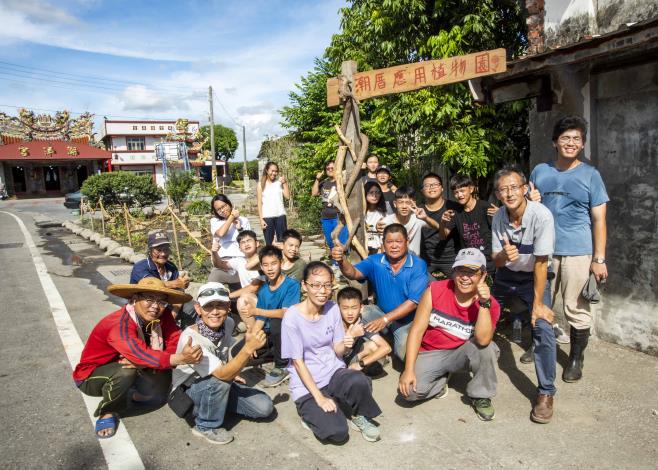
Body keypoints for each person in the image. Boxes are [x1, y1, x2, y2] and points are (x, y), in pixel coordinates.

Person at [529, 116, 609, 383]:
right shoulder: (540, 171)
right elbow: (529, 210)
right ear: (555, 142)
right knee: (542, 302)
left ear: (582, 144)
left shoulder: (591, 175)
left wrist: (599, 259)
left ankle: (576, 358)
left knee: (576, 307)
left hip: (578, 250)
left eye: (576, 138)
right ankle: (540, 345)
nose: (571, 143)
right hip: (544, 251)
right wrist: (531, 201)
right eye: (565, 138)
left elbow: (599, 220)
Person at [73, 278, 202, 439]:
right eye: (149, 299)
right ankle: (108, 410)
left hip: (136, 362)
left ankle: (135, 392)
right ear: (134, 299)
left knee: (159, 392)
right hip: (92, 375)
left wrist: (153, 359)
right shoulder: (118, 323)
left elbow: (174, 338)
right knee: (125, 372)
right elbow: (139, 354)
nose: (156, 306)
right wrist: (179, 359)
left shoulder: (164, 315)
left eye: (162, 301)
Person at [282, 262, 383, 443]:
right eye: (316, 285)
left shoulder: (333, 309)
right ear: (304, 286)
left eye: (327, 285)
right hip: (307, 384)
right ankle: (309, 414)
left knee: (359, 380)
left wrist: (348, 342)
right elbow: (298, 362)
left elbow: (337, 349)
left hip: (333, 372)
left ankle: (359, 415)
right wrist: (319, 398)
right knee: (336, 433)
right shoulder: (292, 317)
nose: (323, 290)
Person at [398, 248, 501, 422]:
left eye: (472, 272)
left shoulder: (492, 304)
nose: (465, 277)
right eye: (461, 270)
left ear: (483, 275)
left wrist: (484, 304)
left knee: (488, 348)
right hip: (430, 352)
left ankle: (480, 395)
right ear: (454, 272)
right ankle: (441, 381)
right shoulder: (435, 290)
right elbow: (417, 330)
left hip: (462, 351)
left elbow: (483, 340)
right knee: (409, 394)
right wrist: (408, 371)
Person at [491, 167, 557, 423]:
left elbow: (541, 263)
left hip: (535, 277)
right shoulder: (498, 217)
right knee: (482, 313)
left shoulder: (541, 216)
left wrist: (538, 304)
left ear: (525, 188)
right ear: (498, 194)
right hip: (506, 276)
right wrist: (502, 256)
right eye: (503, 189)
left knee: (542, 327)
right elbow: (496, 262)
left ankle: (546, 392)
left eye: (514, 187)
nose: (509, 193)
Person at [170, 282, 274, 444]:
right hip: (188, 394)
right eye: (208, 306)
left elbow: (226, 354)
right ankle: (205, 425)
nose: (215, 312)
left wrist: (234, 370)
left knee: (264, 407)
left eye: (221, 305)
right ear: (198, 309)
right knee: (222, 379)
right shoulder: (191, 339)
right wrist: (247, 349)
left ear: (228, 307)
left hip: (214, 383)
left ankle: (217, 405)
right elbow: (222, 374)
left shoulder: (228, 323)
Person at [332, 223, 429, 361]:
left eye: (398, 241)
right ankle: (370, 345)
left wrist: (385, 320)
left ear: (407, 242)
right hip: (381, 312)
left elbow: (413, 303)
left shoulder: (418, 265)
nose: (394, 246)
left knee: (405, 355)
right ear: (383, 243)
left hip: (407, 320)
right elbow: (353, 273)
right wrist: (341, 260)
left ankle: (393, 339)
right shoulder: (375, 261)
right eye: (389, 242)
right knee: (362, 311)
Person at [237, 245, 301, 386]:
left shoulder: (292, 285)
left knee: (277, 322)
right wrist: (251, 340)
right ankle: (275, 353)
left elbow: (286, 313)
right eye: (265, 265)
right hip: (270, 334)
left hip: (287, 331)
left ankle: (282, 365)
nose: (270, 268)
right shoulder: (264, 289)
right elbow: (260, 320)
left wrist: (257, 311)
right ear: (261, 266)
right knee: (240, 353)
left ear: (281, 263)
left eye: (274, 264)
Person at [130, 231, 194, 329]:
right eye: (158, 250)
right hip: (145, 305)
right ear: (150, 250)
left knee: (191, 306)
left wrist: (174, 313)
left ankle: (184, 334)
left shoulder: (171, 267)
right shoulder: (140, 267)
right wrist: (177, 283)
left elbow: (179, 292)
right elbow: (152, 286)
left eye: (166, 249)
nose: (163, 253)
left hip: (164, 304)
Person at [439, 175, 496, 275]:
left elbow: (499, 230)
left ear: (471, 189)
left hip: (488, 261)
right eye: (456, 192)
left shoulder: (485, 207)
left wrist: (500, 214)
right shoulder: (455, 212)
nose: (459, 195)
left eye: (462, 191)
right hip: (468, 262)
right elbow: (443, 236)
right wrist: (443, 222)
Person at [337, 286, 392, 376]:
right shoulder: (334, 321)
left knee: (374, 346)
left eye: (354, 308)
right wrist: (351, 335)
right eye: (345, 308)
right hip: (335, 359)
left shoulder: (362, 322)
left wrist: (361, 363)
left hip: (351, 357)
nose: (350, 313)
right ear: (338, 308)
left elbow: (386, 348)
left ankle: (357, 370)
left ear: (361, 308)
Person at [418, 172, 461, 279]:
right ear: (422, 190)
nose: (431, 188)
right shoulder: (418, 210)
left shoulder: (453, 207)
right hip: (426, 260)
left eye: (435, 184)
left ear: (442, 188)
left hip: (451, 259)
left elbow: (445, 233)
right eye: (427, 185)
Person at [378, 186, 441, 257]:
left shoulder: (418, 218)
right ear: (395, 204)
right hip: (393, 264)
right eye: (401, 202)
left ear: (413, 203)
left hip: (414, 264)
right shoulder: (386, 222)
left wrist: (426, 218)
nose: (404, 206)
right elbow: (383, 247)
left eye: (408, 202)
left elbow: (438, 227)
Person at [208, 194, 251, 286]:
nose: (222, 210)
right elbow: (220, 233)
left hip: (241, 260)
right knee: (213, 278)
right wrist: (232, 217)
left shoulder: (244, 220)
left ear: (229, 204)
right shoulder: (215, 221)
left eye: (224, 206)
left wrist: (240, 229)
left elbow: (248, 242)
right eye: (218, 209)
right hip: (223, 262)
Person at [311, 160, 348, 250]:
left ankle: (342, 262)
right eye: (328, 169)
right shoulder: (324, 183)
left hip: (338, 217)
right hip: (326, 217)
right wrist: (317, 179)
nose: (330, 170)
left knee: (340, 241)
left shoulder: (342, 182)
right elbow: (314, 193)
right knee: (330, 242)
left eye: (333, 168)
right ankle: (335, 262)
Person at [257, 161, 289, 245]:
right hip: (267, 217)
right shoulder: (260, 185)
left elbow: (287, 196)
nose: (274, 173)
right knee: (269, 243)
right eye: (272, 171)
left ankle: (282, 258)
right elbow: (259, 203)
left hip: (280, 216)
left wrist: (285, 183)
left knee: (282, 242)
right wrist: (261, 219)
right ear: (267, 170)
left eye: (276, 171)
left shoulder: (279, 183)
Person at [364, 181, 392, 254]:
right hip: (363, 247)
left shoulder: (385, 209)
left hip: (380, 248)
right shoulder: (360, 211)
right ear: (365, 193)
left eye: (377, 192)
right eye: (371, 192)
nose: (375, 195)